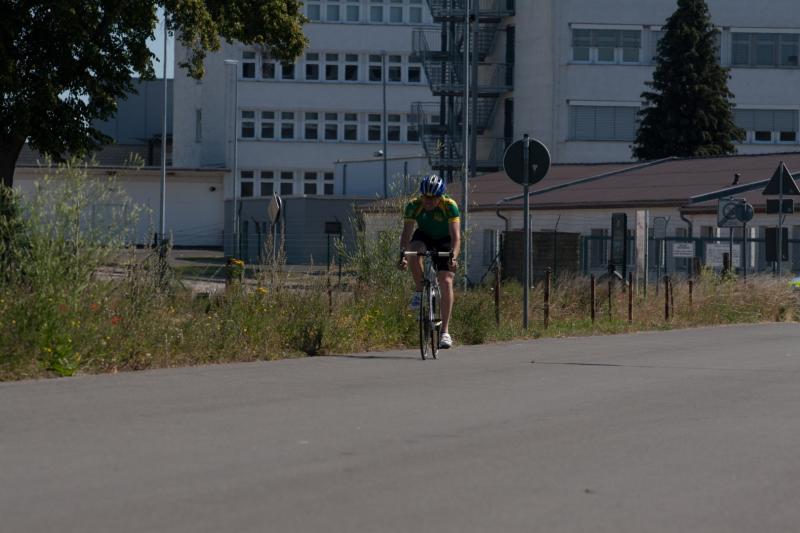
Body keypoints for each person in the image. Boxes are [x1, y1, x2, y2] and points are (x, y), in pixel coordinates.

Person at [397, 174, 461, 349]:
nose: (428, 201)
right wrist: (402, 256)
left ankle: (445, 332)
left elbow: (456, 237)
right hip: (424, 236)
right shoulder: (413, 206)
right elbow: (406, 234)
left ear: (440, 197)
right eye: (426, 197)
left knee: (446, 281)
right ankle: (420, 289)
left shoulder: (450, 206)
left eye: (433, 198)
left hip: (444, 239)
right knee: (412, 250)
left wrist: (453, 257)